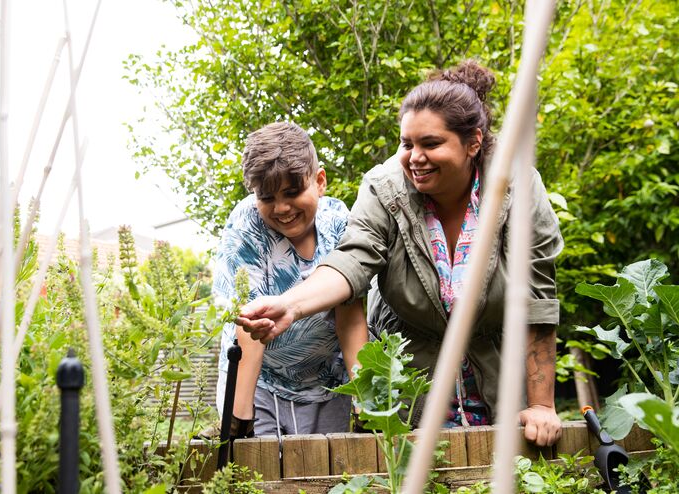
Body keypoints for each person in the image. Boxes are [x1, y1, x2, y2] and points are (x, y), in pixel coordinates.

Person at [237, 60, 564, 447]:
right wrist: (290, 306)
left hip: (496, 378)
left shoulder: (517, 187)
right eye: (407, 144)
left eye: (431, 144)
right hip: (412, 386)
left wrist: (542, 406)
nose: (414, 157)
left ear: (473, 142)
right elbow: (352, 261)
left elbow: (537, 299)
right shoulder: (384, 188)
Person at [213, 122, 368, 441]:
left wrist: (366, 405)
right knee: (257, 474)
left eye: (293, 193)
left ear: (319, 181)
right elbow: (249, 330)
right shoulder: (247, 228)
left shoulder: (339, 223)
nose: (282, 208)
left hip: (326, 380)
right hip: (259, 382)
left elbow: (350, 322)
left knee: (327, 474)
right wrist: (239, 422)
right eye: (267, 197)